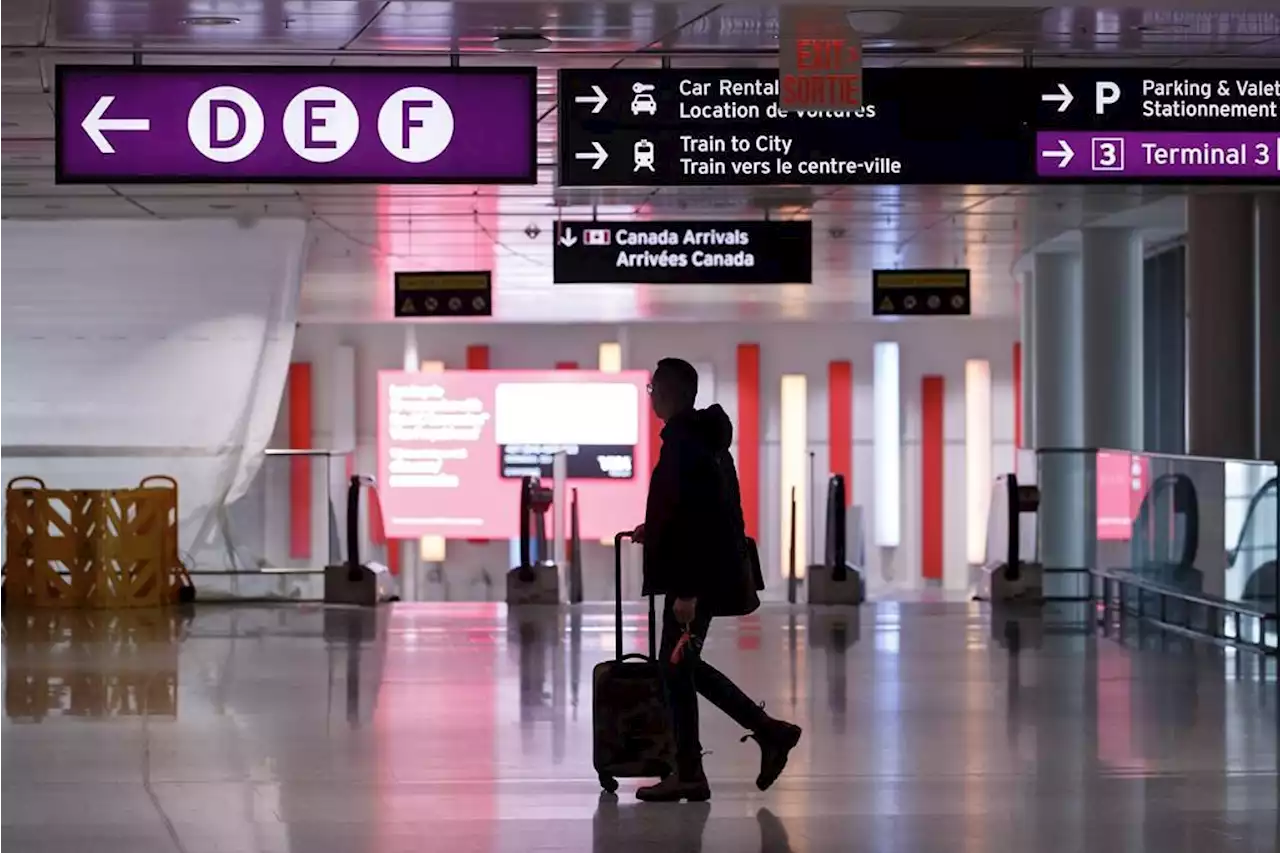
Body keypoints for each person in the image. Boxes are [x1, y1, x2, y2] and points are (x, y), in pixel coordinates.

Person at [631, 357, 802, 803]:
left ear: (666, 392)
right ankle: (747, 742)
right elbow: (692, 511)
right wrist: (656, 529)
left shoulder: (686, 444)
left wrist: (687, 591)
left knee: (677, 668)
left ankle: (719, 756)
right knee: (680, 668)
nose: (650, 397)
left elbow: (700, 523)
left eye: (652, 390)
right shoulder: (703, 441)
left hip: (693, 580)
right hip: (701, 573)